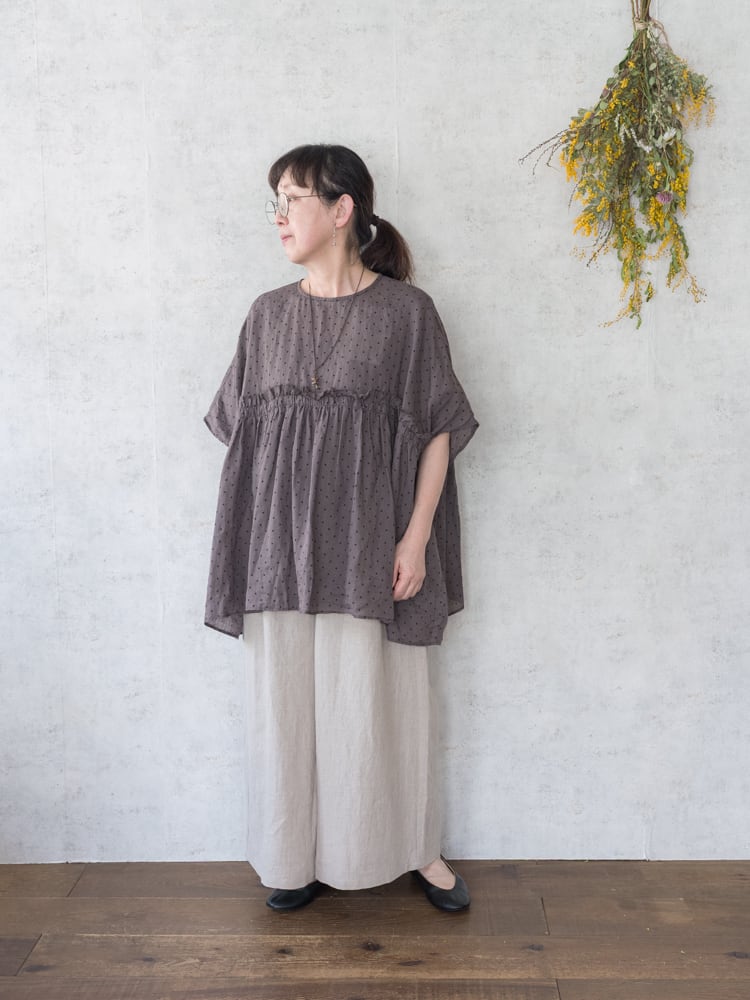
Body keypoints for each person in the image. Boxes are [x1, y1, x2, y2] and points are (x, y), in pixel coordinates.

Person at [204, 144, 477, 913]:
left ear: (341, 208)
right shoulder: (268, 315)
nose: (279, 217)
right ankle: (298, 854)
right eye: (276, 203)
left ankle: (416, 850)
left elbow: (436, 428)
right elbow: (244, 437)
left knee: (382, 702)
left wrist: (414, 538)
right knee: (289, 704)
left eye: (291, 199)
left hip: (370, 544)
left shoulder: (406, 314)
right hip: (281, 552)